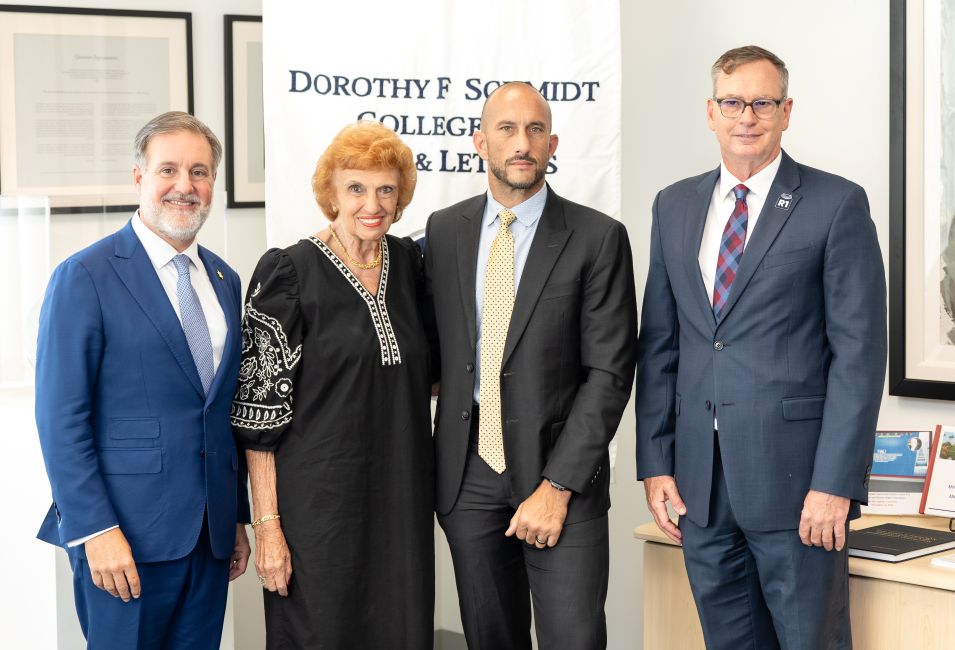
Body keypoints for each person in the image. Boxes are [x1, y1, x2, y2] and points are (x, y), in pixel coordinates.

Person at [636, 45, 886, 649]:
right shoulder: (674, 205)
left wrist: (835, 483)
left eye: (762, 102)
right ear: (710, 112)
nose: (746, 115)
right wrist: (657, 462)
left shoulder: (834, 204)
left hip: (798, 487)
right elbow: (660, 346)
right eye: (732, 102)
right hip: (701, 487)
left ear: (786, 110)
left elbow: (859, 357)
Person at [424, 82, 638, 649]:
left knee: (574, 638)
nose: (522, 143)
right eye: (507, 129)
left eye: (535, 130)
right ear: (480, 142)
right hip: (467, 480)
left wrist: (558, 486)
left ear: (552, 143)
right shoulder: (444, 231)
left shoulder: (597, 238)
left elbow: (609, 375)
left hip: (559, 478)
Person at [35, 111, 251, 648]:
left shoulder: (225, 279)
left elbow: (221, 413)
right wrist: (94, 530)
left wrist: (236, 516)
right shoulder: (85, 276)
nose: (185, 186)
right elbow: (61, 418)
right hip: (123, 539)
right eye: (169, 170)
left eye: (200, 172)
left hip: (208, 537)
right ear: (139, 178)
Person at [231, 121, 434, 648]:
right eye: (357, 188)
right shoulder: (287, 273)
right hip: (317, 512)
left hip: (401, 503)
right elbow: (257, 422)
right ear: (332, 194)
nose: (373, 203)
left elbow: (428, 375)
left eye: (386, 188)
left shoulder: (412, 265)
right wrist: (268, 525)